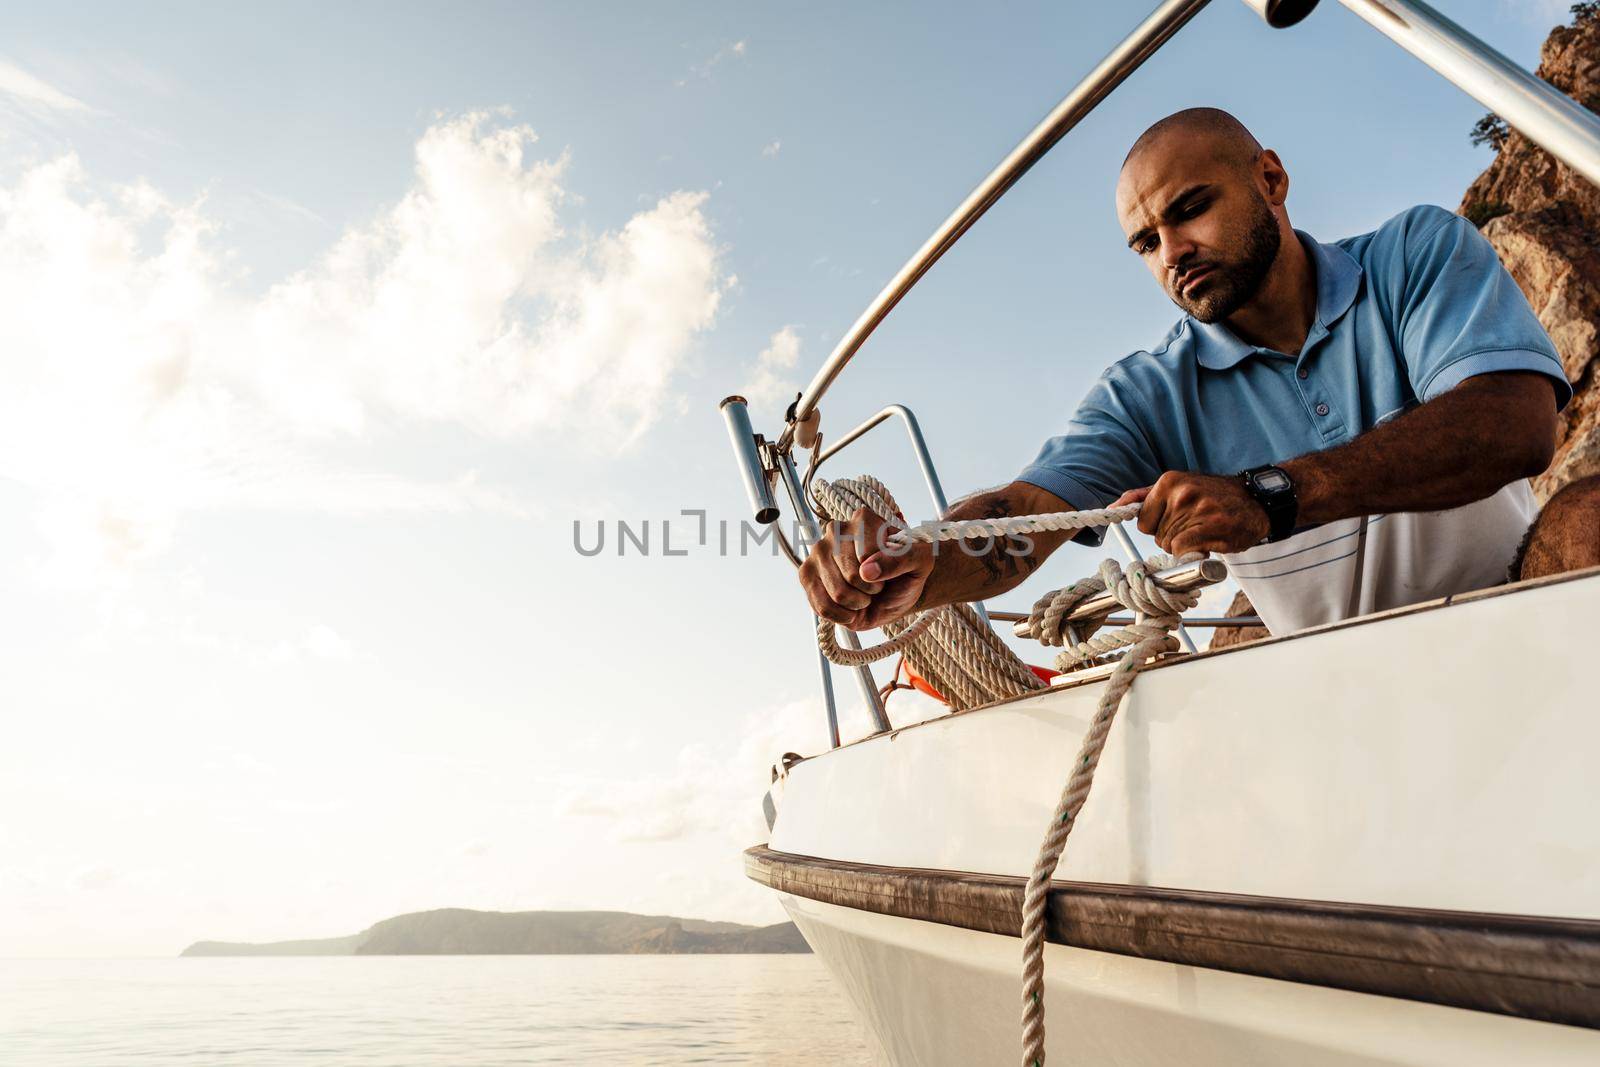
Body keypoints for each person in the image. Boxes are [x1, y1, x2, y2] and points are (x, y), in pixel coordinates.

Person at [799, 107, 1599, 638]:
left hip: (1515, 606)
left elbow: (1513, 422)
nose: (1172, 252)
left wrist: (1267, 496)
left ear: (1271, 181)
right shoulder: (1145, 393)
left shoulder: (1413, 254)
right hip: (1331, 690)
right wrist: (922, 561)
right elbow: (1027, 510)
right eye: (1145, 242)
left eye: (1188, 209)